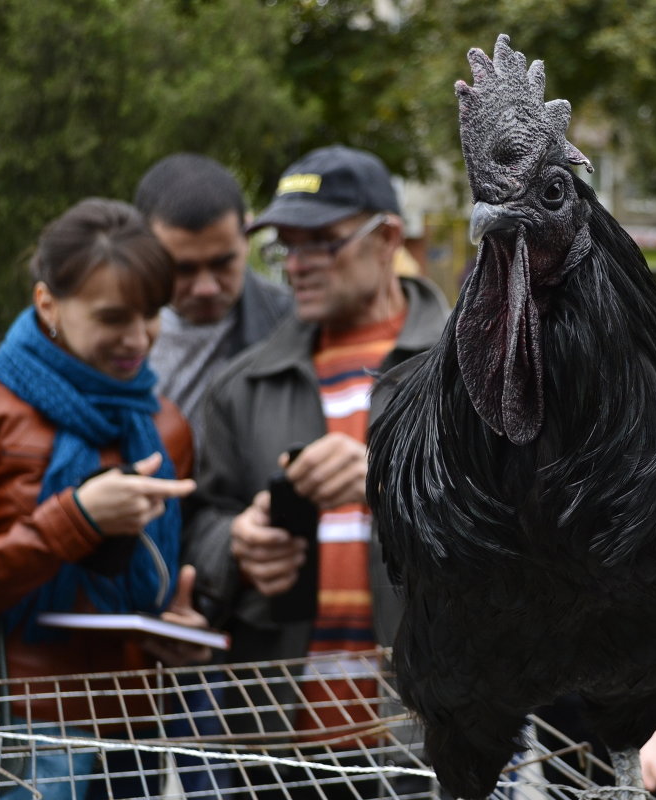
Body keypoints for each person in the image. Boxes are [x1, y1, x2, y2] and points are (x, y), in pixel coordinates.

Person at [180, 146, 450, 786]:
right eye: (284, 248)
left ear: (386, 237)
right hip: (277, 745)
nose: (296, 267)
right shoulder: (240, 386)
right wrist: (236, 544)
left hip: (436, 737)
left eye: (321, 244)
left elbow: (533, 525)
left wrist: (391, 484)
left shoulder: (468, 371)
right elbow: (200, 521)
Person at [0, 198, 202, 796]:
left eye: (151, 314)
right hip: (13, 734)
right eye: (113, 317)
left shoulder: (163, 422)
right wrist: (74, 521)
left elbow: (154, 582)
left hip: (134, 732)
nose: (138, 337)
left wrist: (178, 626)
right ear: (48, 305)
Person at [133, 153, 292, 441]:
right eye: (183, 269)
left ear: (248, 234)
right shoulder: (102, 328)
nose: (206, 288)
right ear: (143, 247)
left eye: (222, 263)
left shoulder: (294, 325)